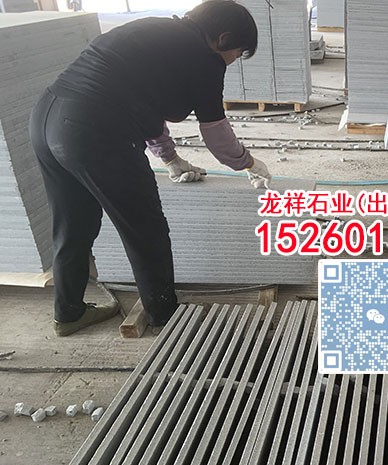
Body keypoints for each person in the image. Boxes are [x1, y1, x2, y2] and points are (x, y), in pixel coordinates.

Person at [29, 0, 272, 337]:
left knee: (72, 224)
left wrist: (169, 159)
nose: (233, 60)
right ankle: (165, 318)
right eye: (238, 52)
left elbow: (144, 103)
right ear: (224, 38)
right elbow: (216, 133)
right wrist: (248, 163)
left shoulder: (154, 32)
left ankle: (69, 314)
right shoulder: (205, 59)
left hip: (47, 120)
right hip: (95, 131)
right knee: (145, 230)